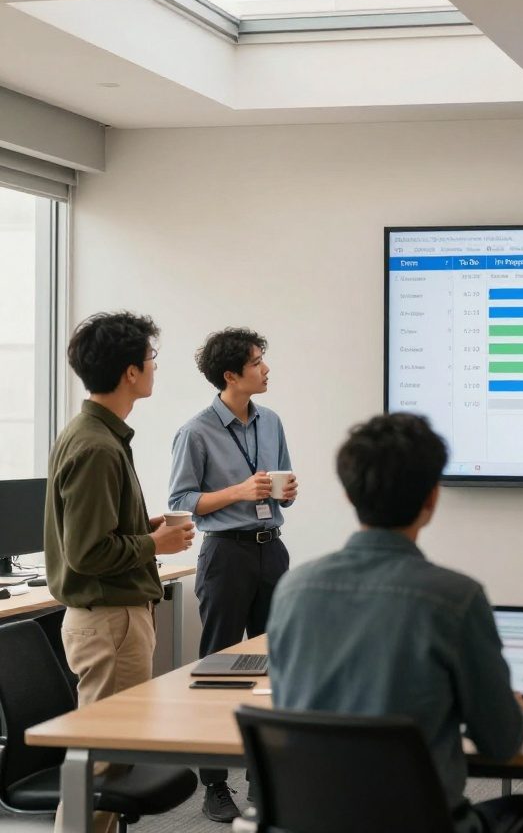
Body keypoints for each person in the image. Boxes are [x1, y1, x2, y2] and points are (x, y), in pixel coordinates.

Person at [266, 413, 523, 833]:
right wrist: (515, 709)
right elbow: (502, 742)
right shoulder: (455, 598)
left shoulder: (293, 589)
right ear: (431, 499)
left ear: (349, 495)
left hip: (310, 822)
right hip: (423, 824)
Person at [45, 312, 194, 833]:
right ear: (130, 372)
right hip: (109, 621)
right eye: (151, 359)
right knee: (99, 768)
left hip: (113, 618)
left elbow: (97, 535)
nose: (154, 368)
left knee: (106, 765)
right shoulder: (96, 446)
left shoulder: (98, 435)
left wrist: (143, 528)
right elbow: (88, 553)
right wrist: (156, 542)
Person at [168, 328, 297, 823]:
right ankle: (214, 785)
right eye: (258, 362)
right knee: (219, 671)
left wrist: (283, 494)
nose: (266, 369)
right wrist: (240, 492)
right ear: (231, 375)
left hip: (272, 550)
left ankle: (267, 780)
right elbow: (180, 503)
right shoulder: (196, 431)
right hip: (225, 555)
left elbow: (279, 481)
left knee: (275, 667)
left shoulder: (273, 422)